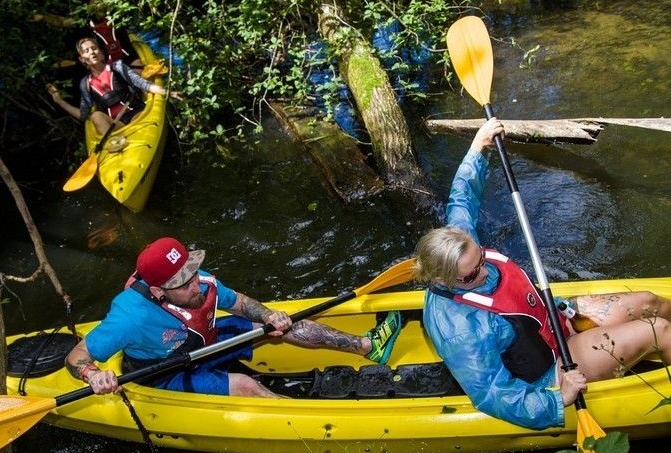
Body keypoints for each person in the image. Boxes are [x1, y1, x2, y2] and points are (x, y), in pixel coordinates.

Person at [412, 118, 671, 430]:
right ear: (442, 280)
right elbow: (492, 394)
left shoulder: (460, 247)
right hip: (553, 364)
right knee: (657, 329)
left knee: (648, 302)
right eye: (471, 276)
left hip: (555, 317)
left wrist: (478, 147)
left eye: (481, 258)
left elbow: (462, 198)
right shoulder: (460, 330)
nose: (484, 272)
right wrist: (557, 399)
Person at [66, 237, 404, 397]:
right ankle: (301, 415)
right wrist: (93, 375)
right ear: (158, 291)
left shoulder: (200, 280)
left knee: (284, 326)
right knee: (245, 385)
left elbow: (239, 303)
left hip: (206, 341)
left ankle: (365, 346)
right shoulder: (129, 317)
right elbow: (76, 356)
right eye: (183, 282)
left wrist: (270, 315)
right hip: (164, 370)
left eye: (193, 271)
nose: (196, 284)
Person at [47, 37, 182, 140]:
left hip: (137, 115)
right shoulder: (85, 84)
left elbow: (143, 84)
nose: (91, 52)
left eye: (94, 48)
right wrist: (60, 101)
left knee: (137, 122)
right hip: (116, 126)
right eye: (86, 51)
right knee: (96, 116)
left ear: (101, 53)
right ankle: (116, 145)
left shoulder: (117, 67)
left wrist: (169, 93)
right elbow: (83, 115)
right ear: (83, 59)